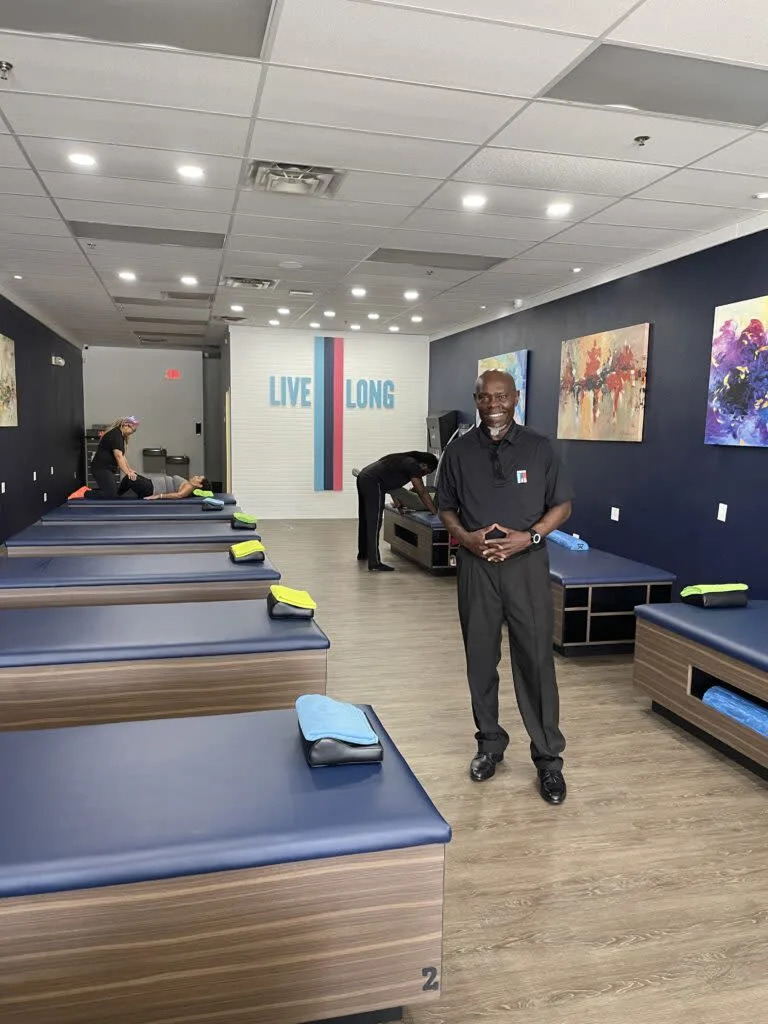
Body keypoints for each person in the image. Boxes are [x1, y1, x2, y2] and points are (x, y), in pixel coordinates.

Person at [437, 370, 574, 805]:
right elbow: (445, 508)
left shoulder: (540, 448)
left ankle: (548, 760)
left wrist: (528, 537)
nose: (493, 404)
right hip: (477, 570)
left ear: (516, 398)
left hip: (527, 568)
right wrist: (467, 538)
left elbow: (562, 505)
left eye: (501, 396)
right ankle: (490, 745)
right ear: (475, 400)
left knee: (535, 662)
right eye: (484, 397)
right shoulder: (458, 451)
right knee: (480, 659)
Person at [357, 450, 439, 572]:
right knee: (375, 522)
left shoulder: (402, 460)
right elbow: (421, 491)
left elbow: (391, 483)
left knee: (365, 519)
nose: (424, 475)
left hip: (363, 477)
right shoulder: (413, 465)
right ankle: (374, 563)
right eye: (427, 472)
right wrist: (434, 511)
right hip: (373, 482)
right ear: (425, 465)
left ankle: (363, 553)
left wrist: (397, 504)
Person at [89, 416, 140, 498]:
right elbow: (119, 457)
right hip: (101, 468)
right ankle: (85, 492)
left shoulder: (120, 436)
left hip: (107, 469)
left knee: (112, 493)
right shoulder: (116, 435)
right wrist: (127, 472)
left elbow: (123, 456)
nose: (132, 432)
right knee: (111, 494)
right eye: (132, 430)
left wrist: (129, 469)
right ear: (125, 425)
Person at [143, 474, 212, 499]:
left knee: (132, 477)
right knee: (132, 475)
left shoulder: (189, 488)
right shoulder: (188, 484)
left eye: (198, 477)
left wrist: (159, 496)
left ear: (199, 485)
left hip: (152, 488)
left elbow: (179, 495)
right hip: (151, 483)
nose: (196, 476)